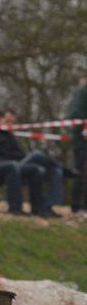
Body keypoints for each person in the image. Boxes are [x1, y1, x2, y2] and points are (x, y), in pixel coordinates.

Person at [0, 110, 69, 218]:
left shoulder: (12, 138)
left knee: (48, 170)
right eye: (7, 121)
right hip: (6, 168)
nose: (10, 124)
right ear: (0, 119)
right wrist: (2, 164)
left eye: (12, 122)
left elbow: (20, 155)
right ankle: (65, 170)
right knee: (36, 154)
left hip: (19, 166)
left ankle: (43, 208)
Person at [65, 82, 87, 216]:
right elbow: (75, 113)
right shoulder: (82, 91)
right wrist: (83, 129)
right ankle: (77, 206)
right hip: (81, 139)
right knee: (80, 172)